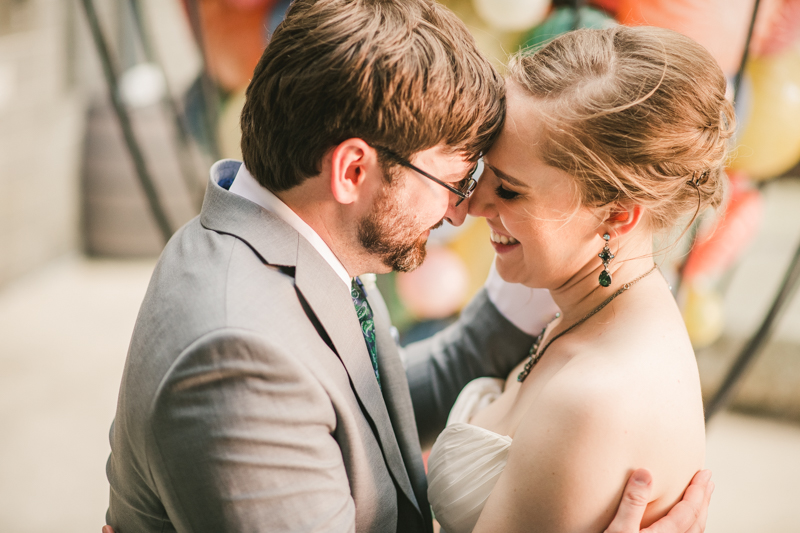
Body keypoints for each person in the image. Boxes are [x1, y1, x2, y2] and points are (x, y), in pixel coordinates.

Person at [103, 1, 712, 532]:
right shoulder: (237, 358)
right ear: (352, 171)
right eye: (450, 180)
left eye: (502, 186)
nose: (460, 211)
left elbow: (363, 412)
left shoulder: (279, 236)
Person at [424, 26, 731, 533]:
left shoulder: (593, 402)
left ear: (617, 213)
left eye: (512, 192)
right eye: (484, 174)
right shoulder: (582, 310)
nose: (473, 205)